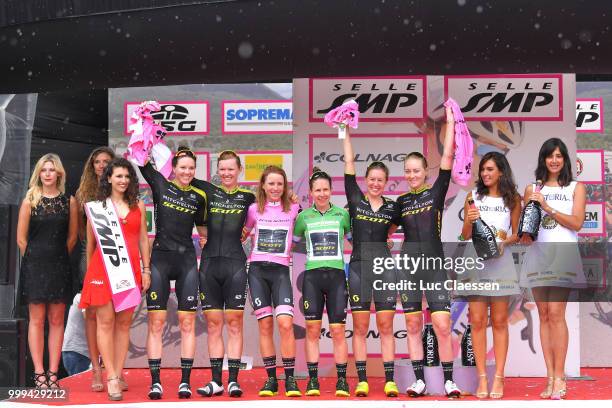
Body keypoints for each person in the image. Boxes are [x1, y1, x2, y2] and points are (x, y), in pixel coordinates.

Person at [396, 105, 462, 397]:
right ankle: (419, 381)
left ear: (426, 172)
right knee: (412, 324)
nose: (412, 175)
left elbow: (448, 156)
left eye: (416, 171)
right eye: (408, 171)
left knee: (442, 324)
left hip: (434, 266)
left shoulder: (436, 191)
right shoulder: (398, 202)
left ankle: (449, 381)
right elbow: (380, 229)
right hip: (408, 267)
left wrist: (449, 121)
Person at [137, 147, 207, 399]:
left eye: (191, 168)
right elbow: (141, 161)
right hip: (160, 261)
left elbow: (204, 234)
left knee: (187, 322)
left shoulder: (199, 197)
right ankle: (155, 382)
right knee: (156, 322)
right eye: (183, 167)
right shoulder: (161, 185)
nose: (187, 172)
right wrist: (143, 126)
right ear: (174, 168)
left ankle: (185, 381)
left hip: (186, 261)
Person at [519, 138, 586, 400]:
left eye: (559, 156)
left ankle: (561, 377)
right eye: (550, 156)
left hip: (563, 256)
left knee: (557, 314)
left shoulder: (575, 188)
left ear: (565, 159)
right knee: (544, 315)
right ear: (543, 159)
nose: (554, 160)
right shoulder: (531, 188)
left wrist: (547, 207)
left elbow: (577, 222)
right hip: (538, 256)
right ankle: (549, 377)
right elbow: (529, 228)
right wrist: (524, 233)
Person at [79, 158, 150, 401]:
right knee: (105, 323)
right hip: (101, 272)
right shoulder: (96, 207)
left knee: (123, 325)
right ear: (108, 178)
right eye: (118, 176)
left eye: (126, 177)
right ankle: (110, 376)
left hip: (130, 272)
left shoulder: (137, 205)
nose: (123, 181)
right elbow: (90, 246)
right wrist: (90, 276)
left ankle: (118, 373)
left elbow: (143, 240)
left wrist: (147, 269)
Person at [341, 131, 401, 397]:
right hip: (358, 269)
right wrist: (346, 133)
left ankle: (389, 380)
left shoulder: (393, 207)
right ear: (365, 181)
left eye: (380, 180)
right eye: (372, 179)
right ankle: (362, 380)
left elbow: (393, 229)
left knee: (387, 326)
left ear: (387, 182)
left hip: (384, 270)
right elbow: (349, 164)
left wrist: (386, 240)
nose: (376, 184)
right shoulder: (355, 200)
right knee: (361, 328)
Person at [192, 151, 255, 398]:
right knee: (214, 325)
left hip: (236, 265)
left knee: (235, 324)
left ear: (240, 169)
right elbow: (176, 175)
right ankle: (216, 380)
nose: (227, 173)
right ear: (217, 171)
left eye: (231, 169)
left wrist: (292, 197)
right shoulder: (208, 191)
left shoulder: (249, 198)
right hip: (208, 265)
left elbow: (278, 204)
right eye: (223, 169)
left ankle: (234, 381)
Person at [459, 152, 521, 399]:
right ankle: (481, 378)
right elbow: (464, 236)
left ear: (501, 172)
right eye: (483, 169)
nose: (485, 174)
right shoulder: (472, 197)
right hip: (475, 261)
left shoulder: (513, 199)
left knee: (499, 321)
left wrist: (505, 243)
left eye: (490, 169)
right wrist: (469, 221)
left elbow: (518, 234)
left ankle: (499, 378)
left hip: (501, 263)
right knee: (476, 321)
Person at [17, 153, 78, 388]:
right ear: (39, 174)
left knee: (56, 320)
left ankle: (54, 374)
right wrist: (36, 260)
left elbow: (72, 238)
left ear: (59, 173)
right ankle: (39, 374)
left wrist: (56, 257)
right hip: (34, 266)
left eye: (52, 170)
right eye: (44, 170)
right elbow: (21, 241)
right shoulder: (29, 201)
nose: (48, 174)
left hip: (59, 265)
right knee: (37, 320)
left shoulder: (69, 202)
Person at [243, 166, 301, 397]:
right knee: (265, 326)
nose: (275, 188)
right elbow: (244, 233)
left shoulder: (295, 208)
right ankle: (270, 380)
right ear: (263, 186)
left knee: (286, 325)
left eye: (280, 184)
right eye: (271, 184)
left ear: (285, 186)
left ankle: (290, 379)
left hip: (280, 273)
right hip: (256, 271)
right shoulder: (254, 209)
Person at [294, 168, 351, 397]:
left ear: (331, 190)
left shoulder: (342, 215)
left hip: (337, 277)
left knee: (338, 331)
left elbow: (352, 240)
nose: (322, 193)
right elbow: (294, 241)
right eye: (317, 190)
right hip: (312, 278)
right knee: (312, 330)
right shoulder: (303, 217)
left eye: (325, 189)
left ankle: (342, 381)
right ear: (311, 192)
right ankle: (313, 380)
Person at [75, 146, 115, 392]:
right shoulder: (84, 193)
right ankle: (97, 368)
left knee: (115, 316)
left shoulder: (121, 188)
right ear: (92, 166)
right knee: (91, 315)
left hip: (117, 258)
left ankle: (114, 369)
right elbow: (80, 233)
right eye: (97, 162)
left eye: (105, 161)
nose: (101, 165)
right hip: (90, 255)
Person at [62, 293, 91, 376]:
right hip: (77, 353)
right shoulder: (79, 297)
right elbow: (89, 318)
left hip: (81, 353)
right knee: (80, 386)